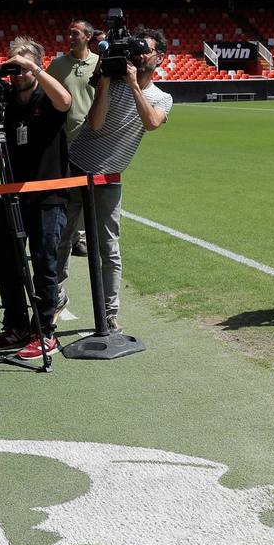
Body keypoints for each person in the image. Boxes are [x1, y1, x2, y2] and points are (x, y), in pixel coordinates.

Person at [56, 28, 173, 334]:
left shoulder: (162, 97)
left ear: (159, 58)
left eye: (145, 50)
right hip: (76, 165)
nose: (138, 54)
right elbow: (94, 124)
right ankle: (53, 297)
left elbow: (150, 123)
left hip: (110, 176)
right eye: (136, 49)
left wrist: (134, 84)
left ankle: (110, 313)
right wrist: (106, 80)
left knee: (110, 247)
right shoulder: (113, 82)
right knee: (63, 236)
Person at [0, 38, 73, 360]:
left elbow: (66, 101)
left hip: (48, 196)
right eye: (13, 66)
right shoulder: (5, 102)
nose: (17, 73)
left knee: (44, 263)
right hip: (10, 196)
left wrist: (35, 69)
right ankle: (15, 325)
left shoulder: (47, 96)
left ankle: (45, 331)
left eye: (23, 66)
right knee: (6, 262)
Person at [47, 20, 99, 261]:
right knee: (69, 195)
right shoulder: (57, 65)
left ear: (88, 36)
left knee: (92, 193)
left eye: (75, 33)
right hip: (65, 141)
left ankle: (82, 237)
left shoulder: (100, 64)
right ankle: (70, 239)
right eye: (69, 32)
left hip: (94, 140)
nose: (70, 36)